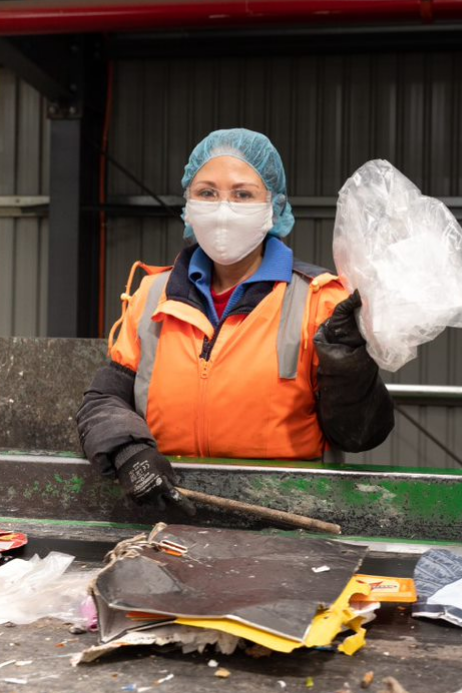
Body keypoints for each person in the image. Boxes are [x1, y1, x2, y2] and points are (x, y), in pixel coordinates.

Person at [77, 128, 394, 508]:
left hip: (287, 515)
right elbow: (105, 398)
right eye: (207, 193)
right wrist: (129, 452)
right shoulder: (152, 295)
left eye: (242, 194)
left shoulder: (318, 300)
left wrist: (349, 362)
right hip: (171, 507)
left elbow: (359, 435)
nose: (223, 209)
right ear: (188, 205)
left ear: (273, 206)